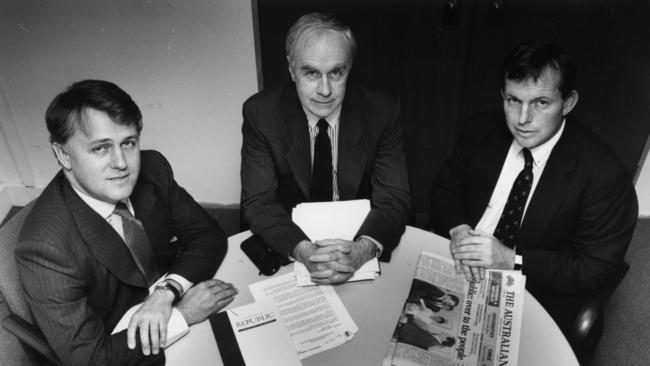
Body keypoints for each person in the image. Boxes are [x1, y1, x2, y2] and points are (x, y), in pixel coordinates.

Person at [429, 42, 638, 353]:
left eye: (541, 102)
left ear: (568, 102)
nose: (522, 118)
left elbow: (593, 267)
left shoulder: (604, 175)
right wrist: (459, 230)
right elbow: (445, 189)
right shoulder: (479, 129)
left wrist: (509, 259)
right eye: (513, 100)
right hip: (460, 262)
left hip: (534, 289)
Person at [16, 80, 238, 366]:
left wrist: (166, 293)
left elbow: (208, 235)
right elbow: (89, 359)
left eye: (128, 143)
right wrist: (183, 314)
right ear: (62, 155)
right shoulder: (44, 247)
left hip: (168, 302)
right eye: (100, 148)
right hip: (127, 350)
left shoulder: (154, 169)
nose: (121, 163)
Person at [240, 12, 412, 284]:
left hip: (356, 238)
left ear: (349, 67)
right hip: (291, 241)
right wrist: (305, 252)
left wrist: (362, 250)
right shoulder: (261, 114)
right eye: (311, 73)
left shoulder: (382, 111)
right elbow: (258, 203)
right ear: (291, 68)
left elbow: (394, 197)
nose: (325, 90)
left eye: (336, 72)